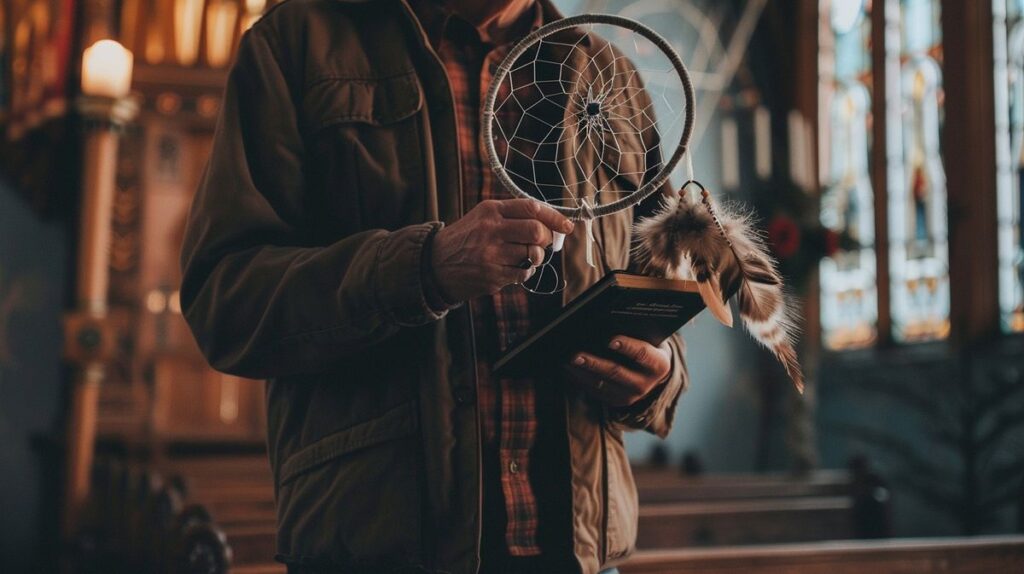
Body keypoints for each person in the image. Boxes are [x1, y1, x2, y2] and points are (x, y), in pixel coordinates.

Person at [179, 0, 689, 572]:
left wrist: (657, 378)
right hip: (376, 551)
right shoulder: (297, 44)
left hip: (578, 553)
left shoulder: (611, 72)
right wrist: (424, 269)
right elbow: (224, 302)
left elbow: (660, 302)